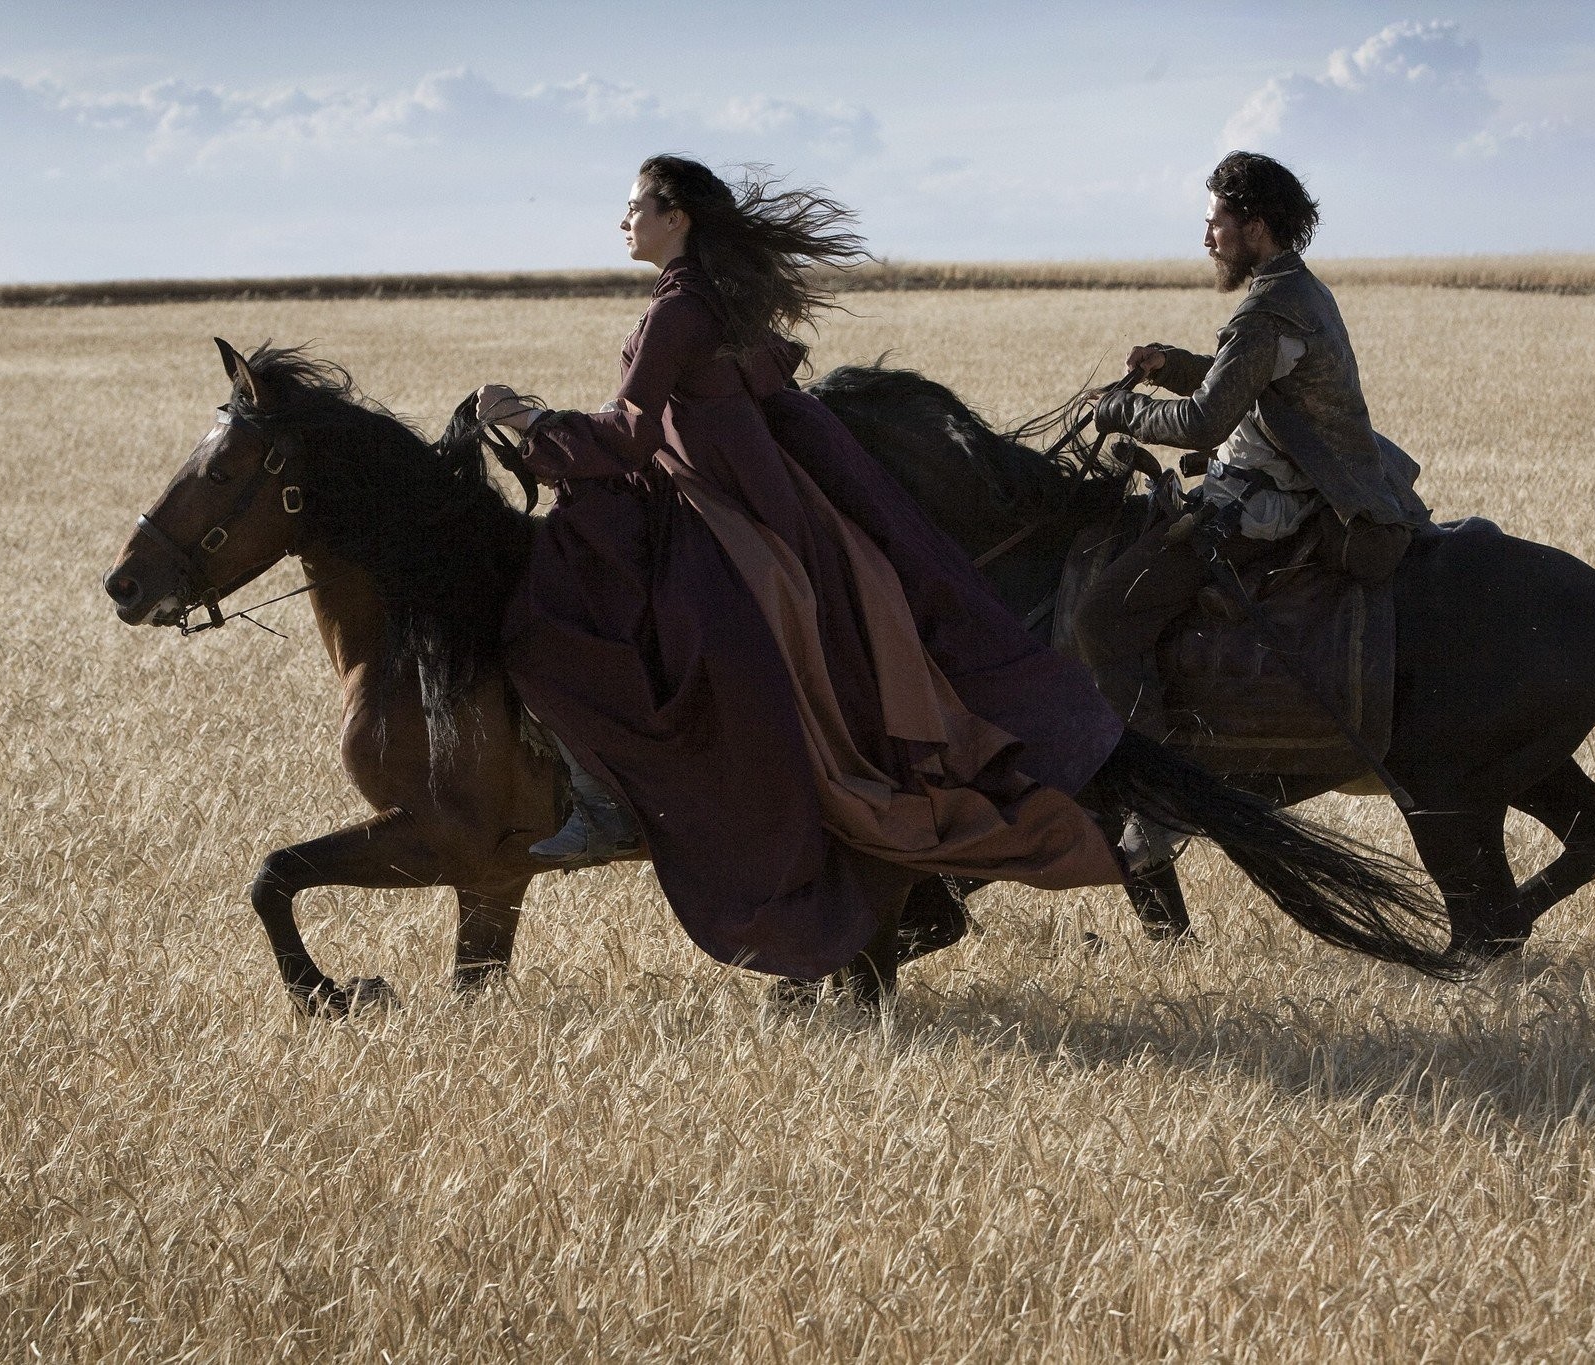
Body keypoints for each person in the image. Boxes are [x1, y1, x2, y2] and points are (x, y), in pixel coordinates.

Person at [473, 154, 1128, 982]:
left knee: (567, 593)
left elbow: (631, 431)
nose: (623, 219)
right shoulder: (714, 296)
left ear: (677, 217)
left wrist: (529, 421)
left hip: (716, 506)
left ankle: (601, 800)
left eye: (635, 205)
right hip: (753, 501)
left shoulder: (679, 306)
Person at [1074, 151, 1431, 743]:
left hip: (1263, 508)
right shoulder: (1300, 289)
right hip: (1312, 487)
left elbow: (1203, 423)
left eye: (1216, 222)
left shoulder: (1267, 311)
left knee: (1103, 618)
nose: (1207, 238)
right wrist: (1173, 365)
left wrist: (1123, 410)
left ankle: (1162, 790)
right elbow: (1246, 380)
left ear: (1255, 226)